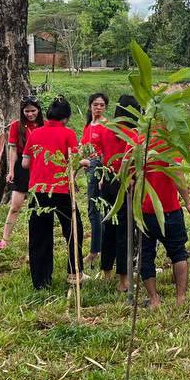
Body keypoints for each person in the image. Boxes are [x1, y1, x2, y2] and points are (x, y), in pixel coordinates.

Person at [21, 97, 84, 289]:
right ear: (66, 117)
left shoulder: (35, 133)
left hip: (38, 191)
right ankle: (74, 273)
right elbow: (74, 162)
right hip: (61, 189)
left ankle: (41, 281)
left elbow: (25, 162)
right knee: (73, 231)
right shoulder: (68, 133)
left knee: (39, 236)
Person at [137, 132, 190, 308]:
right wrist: (188, 202)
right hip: (170, 209)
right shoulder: (171, 140)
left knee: (146, 255)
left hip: (144, 209)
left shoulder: (140, 139)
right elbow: (177, 173)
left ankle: (154, 299)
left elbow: (129, 175)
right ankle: (180, 298)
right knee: (178, 253)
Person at [99, 95, 141, 291]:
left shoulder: (107, 129)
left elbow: (103, 156)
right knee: (124, 231)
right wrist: (130, 177)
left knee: (108, 226)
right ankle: (123, 280)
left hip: (107, 181)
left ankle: (106, 272)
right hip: (123, 183)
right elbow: (128, 159)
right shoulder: (131, 134)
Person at [0, 96, 42, 251]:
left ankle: (34, 239)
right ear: (22, 111)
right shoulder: (16, 125)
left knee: (37, 207)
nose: (30, 114)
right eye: (27, 111)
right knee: (15, 205)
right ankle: (5, 239)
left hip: (39, 165)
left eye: (33, 110)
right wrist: (11, 171)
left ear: (38, 110)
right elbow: (13, 149)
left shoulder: (43, 125)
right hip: (22, 166)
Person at [81, 93, 110, 270]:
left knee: (95, 210)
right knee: (95, 210)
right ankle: (99, 247)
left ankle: (95, 251)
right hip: (89, 170)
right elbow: (84, 147)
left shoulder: (106, 126)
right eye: (95, 104)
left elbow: (107, 152)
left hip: (99, 170)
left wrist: (102, 173)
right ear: (90, 106)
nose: (98, 108)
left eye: (102, 105)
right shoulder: (88, 125)